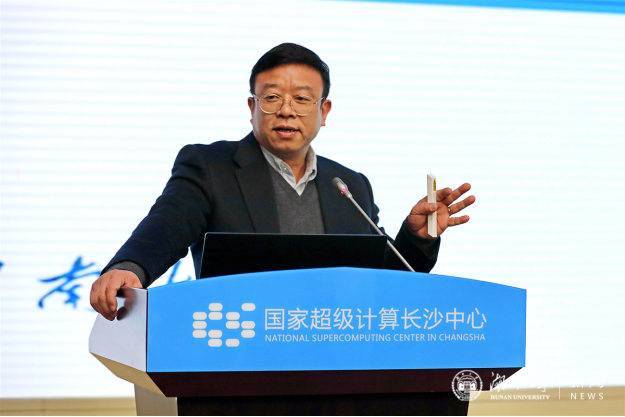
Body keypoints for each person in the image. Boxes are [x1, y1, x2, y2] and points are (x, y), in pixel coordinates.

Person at [90, 43, 475, 321]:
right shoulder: (210, 167)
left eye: (302, 99)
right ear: (252, 107)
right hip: (241, 352)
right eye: (272, 97)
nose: (286, 110)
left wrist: (417, 236)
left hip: (337, 357)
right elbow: (168, 223)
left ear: (324, 111)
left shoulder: (350, 185)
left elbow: (381, 280)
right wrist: (132, 267)